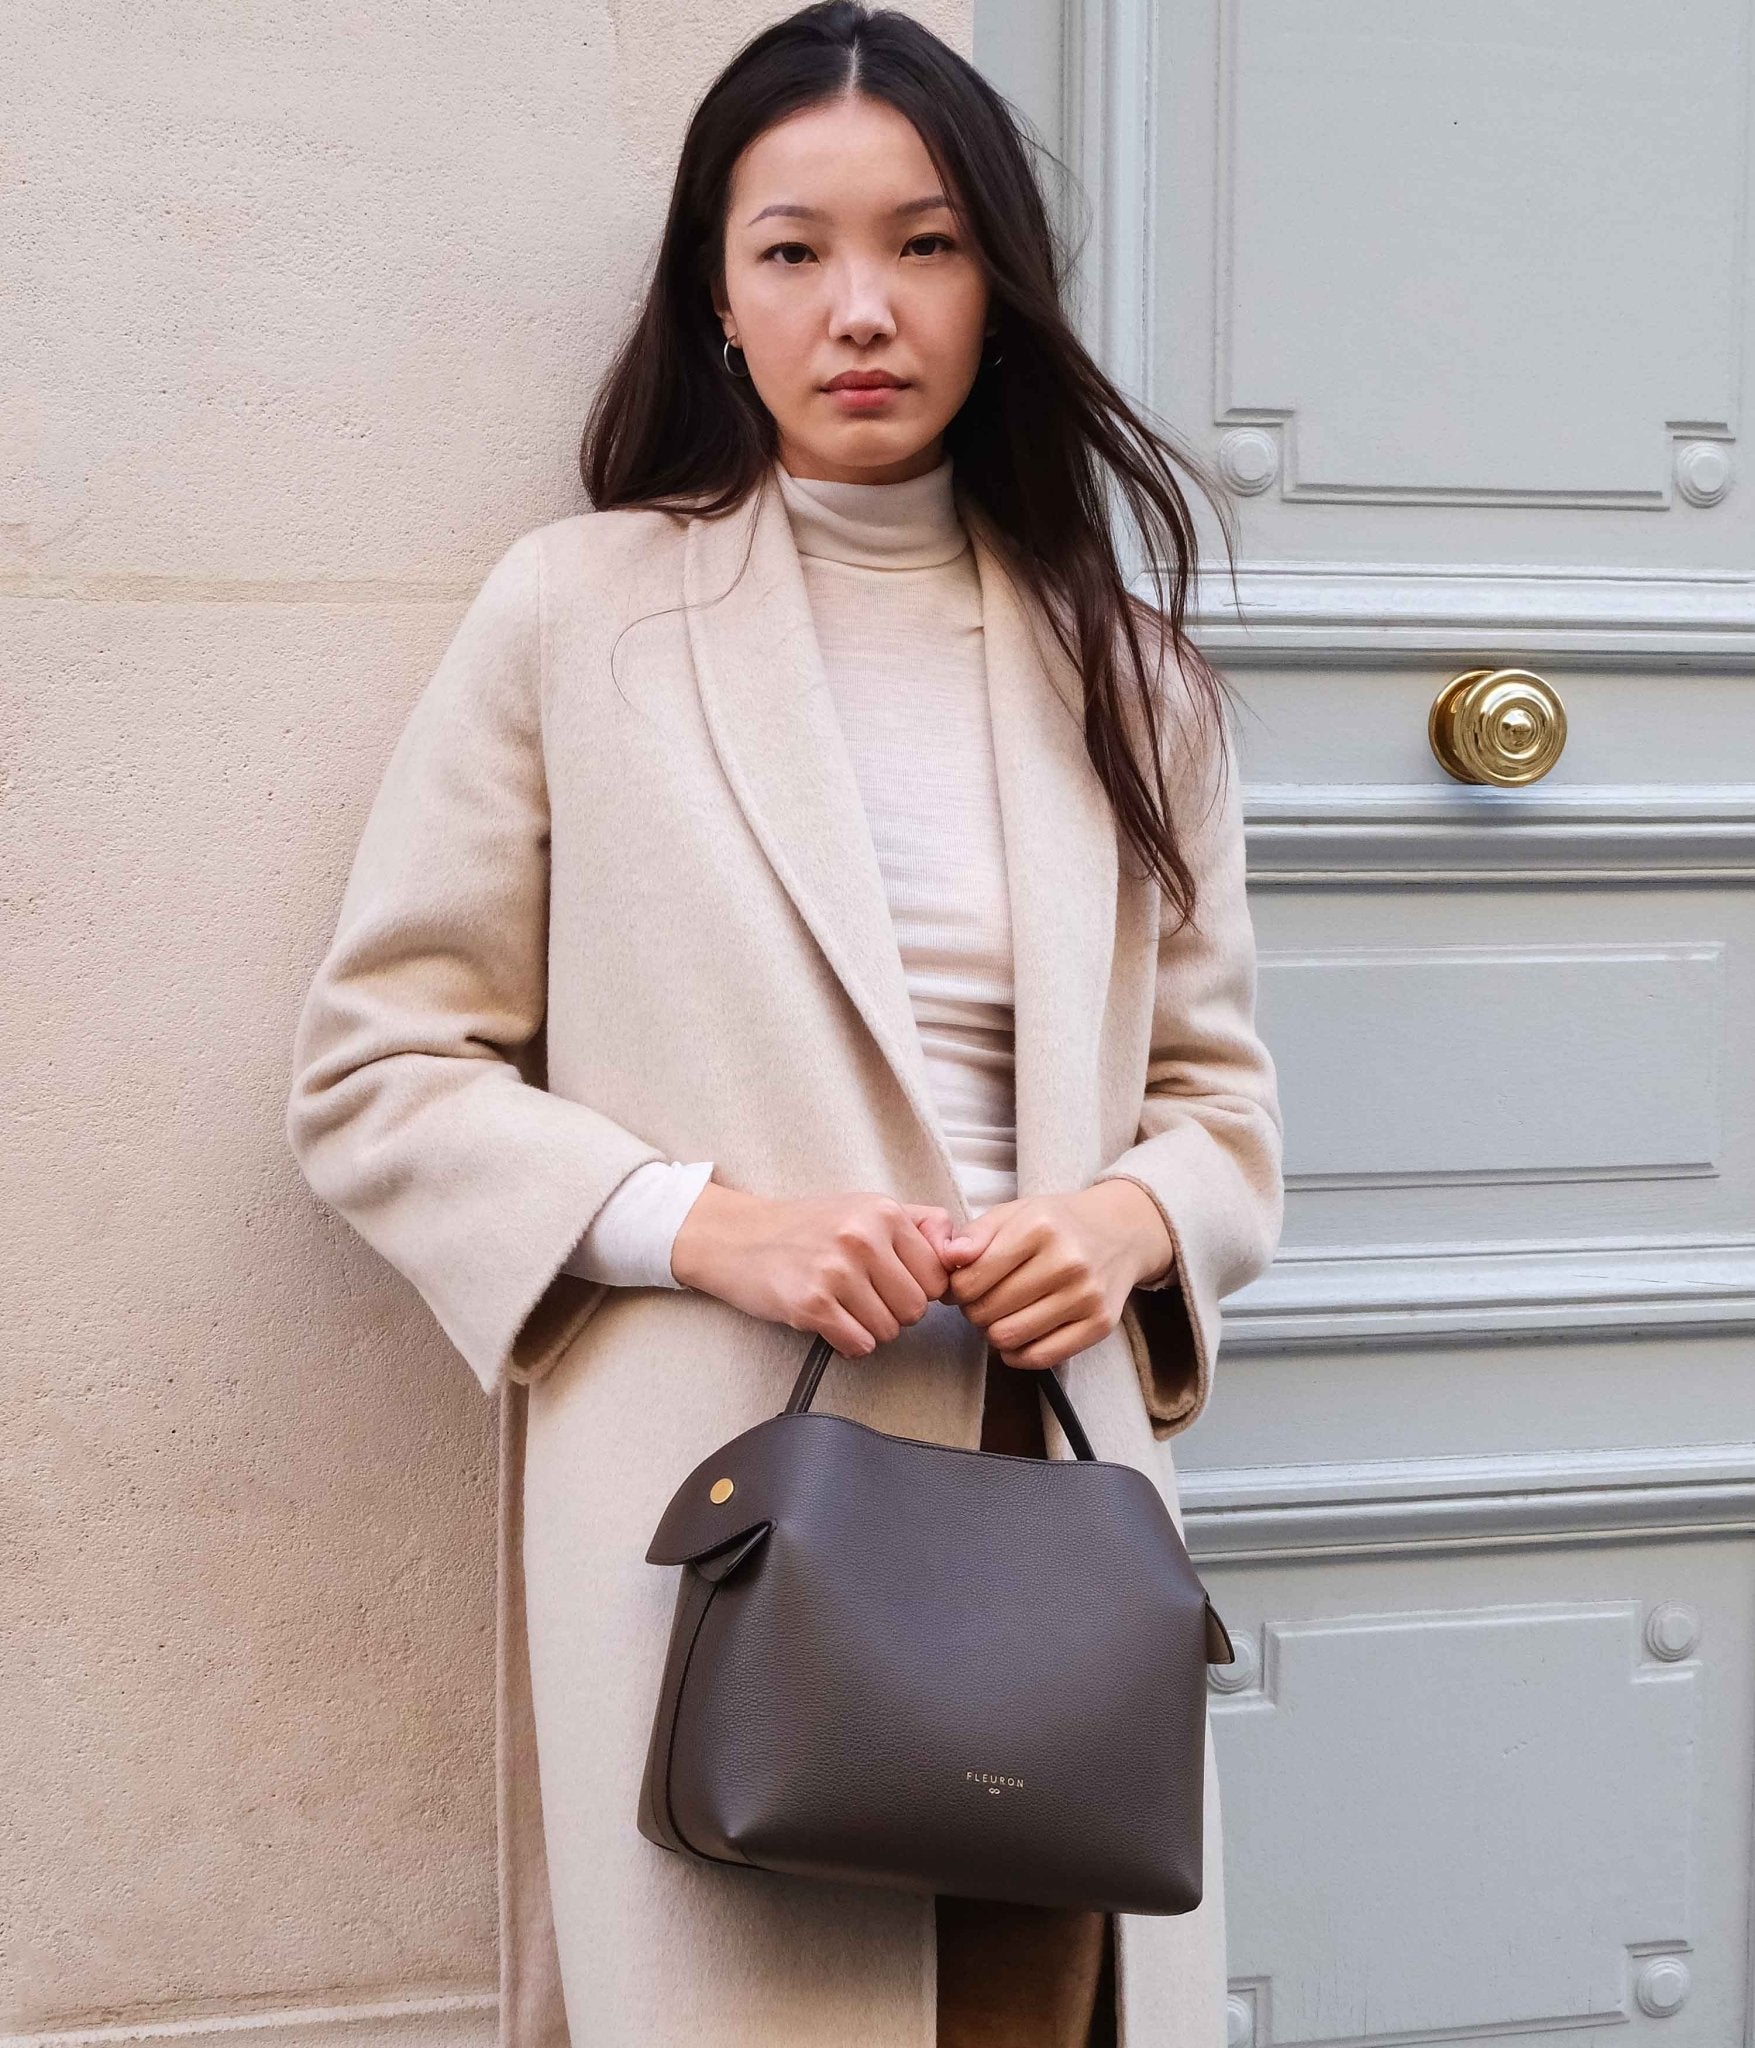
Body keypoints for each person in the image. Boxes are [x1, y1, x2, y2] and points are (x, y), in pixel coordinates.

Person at [283, 5, 1283, 2043]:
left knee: (1034, 2011)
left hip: (1043, 1495)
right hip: (731, 1502)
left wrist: (1121, 1226)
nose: (862, 310)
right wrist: (704, 1223)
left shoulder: (1134, 678)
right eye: (793, 250)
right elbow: (375, 1071)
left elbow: (1219, 1103)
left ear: (999, 288)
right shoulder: (580, 615)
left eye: (925, 244)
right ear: (716, 298)